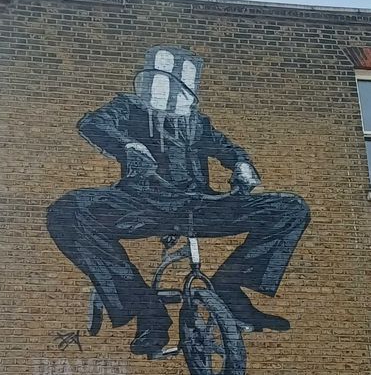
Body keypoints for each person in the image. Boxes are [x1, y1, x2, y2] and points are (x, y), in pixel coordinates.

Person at [47, 45, 310, 357]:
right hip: (143, 204)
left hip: (200, 206)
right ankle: (147, 310)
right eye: (163, 85)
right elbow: (93, 123)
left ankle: (229, 287)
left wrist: (241, 163)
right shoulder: (128, 108)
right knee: (68, 212)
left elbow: (228, 148)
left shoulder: (198, 123)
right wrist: (127, 144)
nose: (171, 95)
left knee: (290, 208)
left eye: (180, 88)